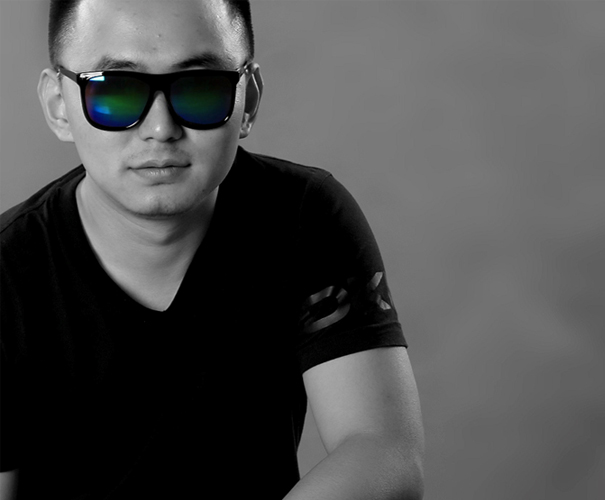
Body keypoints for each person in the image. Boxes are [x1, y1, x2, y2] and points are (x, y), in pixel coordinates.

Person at [0, 0, 424, 498]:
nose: (161, 129)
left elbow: (382, 452)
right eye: (115, 91)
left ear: (249, 100)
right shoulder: (8, 270)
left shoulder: (303, 217)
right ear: (59, 106)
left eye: (200, 87)